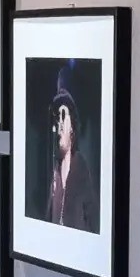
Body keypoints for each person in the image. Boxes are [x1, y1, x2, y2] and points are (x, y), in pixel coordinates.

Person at [45, 65, 99, 232]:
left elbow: (93, 223)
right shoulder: (55, 173)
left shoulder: (81, 168)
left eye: (63, 116)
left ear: (73, 128)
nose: (59, 123)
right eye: (56, 117)